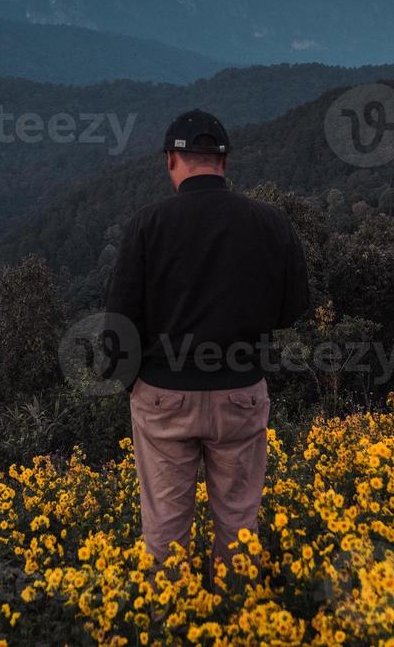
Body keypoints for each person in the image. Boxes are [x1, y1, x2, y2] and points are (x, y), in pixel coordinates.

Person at [105, 109, 311, 563]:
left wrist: (131, 383)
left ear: (170, 162)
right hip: (240, 391)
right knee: (240, 526)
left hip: (163, 394)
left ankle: (170, 620)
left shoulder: (146, 224)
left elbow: (119, 322)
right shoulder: (270, 221)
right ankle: (239, 619)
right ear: (225, 163)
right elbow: (294, 306)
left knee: (163, 533)